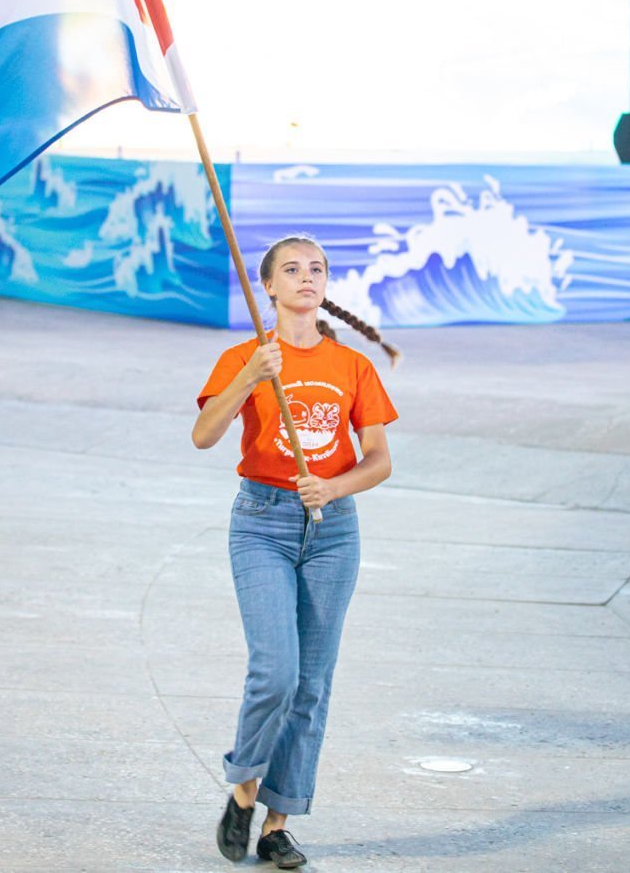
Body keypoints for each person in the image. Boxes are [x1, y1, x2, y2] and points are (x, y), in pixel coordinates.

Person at [193, 235, 400, 869]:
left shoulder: (351, 366)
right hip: (262, 523)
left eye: (316, 269)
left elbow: (379, 460)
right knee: (276, 671)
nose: (306, 277)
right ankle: (243, 789)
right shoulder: (243, 357)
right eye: (291, 269)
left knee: (311, 683)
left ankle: (277, 825)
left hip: (333, 531)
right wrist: (251, 377)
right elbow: (204, 435)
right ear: (270, 287)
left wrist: (333, 486)